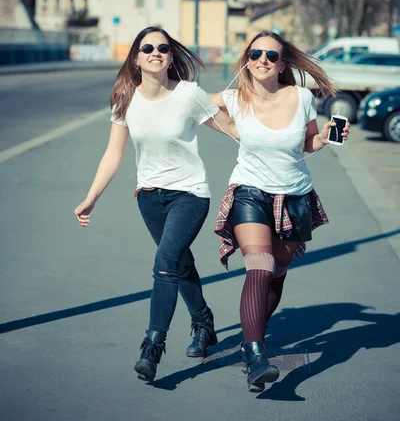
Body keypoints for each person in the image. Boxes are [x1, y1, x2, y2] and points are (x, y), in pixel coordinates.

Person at [74, 26, 238, 383]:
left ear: (170, 56)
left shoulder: (189, 94)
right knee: (179, 263)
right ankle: (204, 323)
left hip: (190, 194)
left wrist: (287, 128)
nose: (156, 52)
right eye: (147, 47)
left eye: (163, 47)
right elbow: (113, 153)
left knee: (165, 262)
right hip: (149, 198)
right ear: (136, 57)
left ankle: (152, 345)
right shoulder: (125, 98)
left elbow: (232, 129)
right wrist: (91, 198)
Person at [212, 30, 350, 393]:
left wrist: (327, 137)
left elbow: (308, 142)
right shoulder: (234, 97)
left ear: (282, 64)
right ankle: (257, 357)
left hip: (295, 197)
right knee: (260, 266)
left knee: (277, 275)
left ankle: (249, 338)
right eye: (256, 53)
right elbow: (190, 104)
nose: (262, 60)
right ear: (247, 59)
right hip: (249, 192)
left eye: (271, 56)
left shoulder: (301, 96)